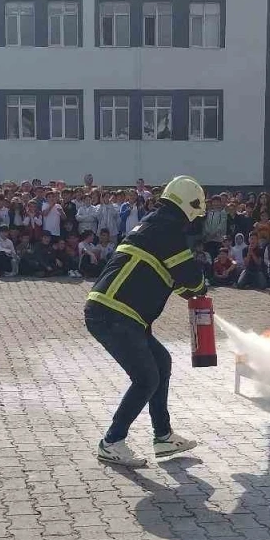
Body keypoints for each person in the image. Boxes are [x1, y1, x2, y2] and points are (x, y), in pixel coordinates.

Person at [85, 175, 206, 468]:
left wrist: (190, 290)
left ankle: (163, 435)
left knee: (161, 362)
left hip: (119, 313)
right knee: (146, 378)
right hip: (114, 313)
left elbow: (176, 282)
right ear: (189, 207)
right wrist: (201, 287)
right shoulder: (168, 229)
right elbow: (190, 278)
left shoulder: (155, 223)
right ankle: (112, 441)